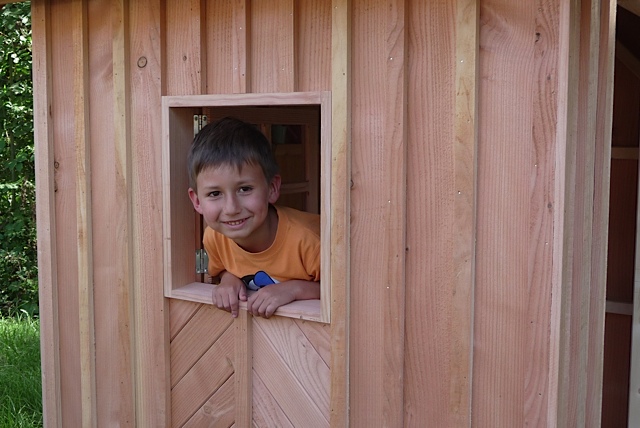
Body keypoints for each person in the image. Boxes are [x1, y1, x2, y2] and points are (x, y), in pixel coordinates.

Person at [187, 117, 320, 318]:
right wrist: (228, 280)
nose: (231, 208)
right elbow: (223, 268)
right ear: (197, 201)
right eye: (215, 194)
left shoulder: (309, 240)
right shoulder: (214, 237)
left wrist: (295, 289)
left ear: (272, 189)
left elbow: (346, 291)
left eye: (245, 189)